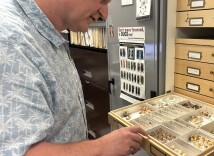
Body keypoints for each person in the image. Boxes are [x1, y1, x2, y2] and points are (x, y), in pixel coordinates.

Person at [0, 0, 147, 155]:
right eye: (103, 0)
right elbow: (19, 152)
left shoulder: (45, 34)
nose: (105, 14)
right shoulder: (10, 40)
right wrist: (102, 147)